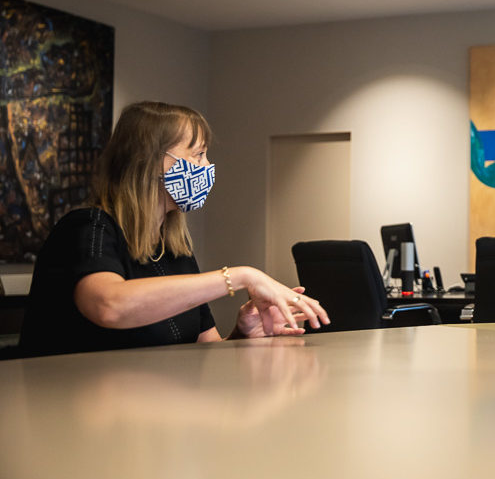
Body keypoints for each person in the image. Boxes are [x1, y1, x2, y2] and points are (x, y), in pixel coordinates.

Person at [18, 101, 330, 357]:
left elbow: (205, 350)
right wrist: (241, 276)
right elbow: (108, 305)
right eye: (198, 154)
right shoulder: (89, 228)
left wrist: (243, 333)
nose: (207, 166)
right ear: (150, 161)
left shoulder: (173, 248)